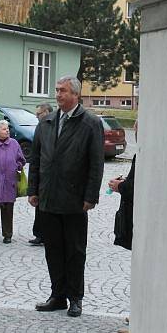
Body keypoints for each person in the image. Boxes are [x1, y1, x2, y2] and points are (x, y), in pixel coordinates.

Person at [28, 76, 104, 317]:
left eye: (63, 91)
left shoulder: (90, 122)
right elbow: (36, 158)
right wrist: (33, 189)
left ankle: (75, 297)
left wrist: (90, 196)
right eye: (57, 90)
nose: (58, 95)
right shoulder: (47, 122)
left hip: (74, 199)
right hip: (48, 196)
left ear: (75, 95)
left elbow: (96, 163)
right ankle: (57, 295)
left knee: (74, 251)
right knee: (53, 249)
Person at [108, 119, 137, 333]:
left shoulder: (147, 152)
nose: (135, 132)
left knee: (142, 273)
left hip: (139, 218)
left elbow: (138, 187)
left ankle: (140, 321)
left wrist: (120, 186)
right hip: (135, 217)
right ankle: (138, 313)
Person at [28, 102, 53, 246]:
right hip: (40, 175)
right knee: (39, 207)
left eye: (39, 113)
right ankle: (39, 234)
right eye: (36, 114)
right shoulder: (40, 127)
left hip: (50, 176)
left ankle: (47, 235)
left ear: (47, 112)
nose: (37, 116)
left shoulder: (53, 126)